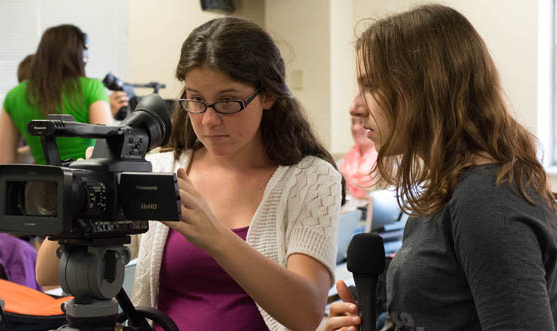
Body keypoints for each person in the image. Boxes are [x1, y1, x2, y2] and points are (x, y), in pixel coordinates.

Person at [36, 17, 344, 331]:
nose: (209, 120)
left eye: (227, 101)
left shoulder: (311, 179)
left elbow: (305, 313)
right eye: (196, 100)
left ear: (268, 96)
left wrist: (216, 238)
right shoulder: (158, 170)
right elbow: (46, 273)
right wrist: (85, 190)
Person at [326, 4, 557, 331]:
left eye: (371, 86)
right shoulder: (448, 188)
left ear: (424, 88)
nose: (356, 107)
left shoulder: (489, 201)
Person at [0, 24, 113, 165]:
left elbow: (4, 161)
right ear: (79, 55)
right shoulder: (92, 88)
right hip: (82, 182)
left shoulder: (14, 95)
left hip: (41, 184)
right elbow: (108, 149)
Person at [337, 94, 378, 212]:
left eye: (361, 122)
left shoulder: (388, 162)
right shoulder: (342, 163)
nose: (355, 128)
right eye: (353, 122)